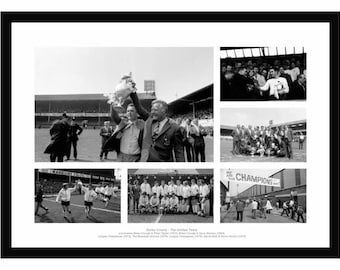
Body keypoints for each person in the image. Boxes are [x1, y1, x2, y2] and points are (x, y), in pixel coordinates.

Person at [129, 91, 185, 162]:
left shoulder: (174, 128)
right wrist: (132, 91)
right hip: (147, 162)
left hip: (163, 165)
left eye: (155, 110)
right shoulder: (150, 119)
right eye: (151, 110)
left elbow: (179, 151)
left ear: (164, 111)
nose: (152, 112)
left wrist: (181, 167)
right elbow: (139, 108)